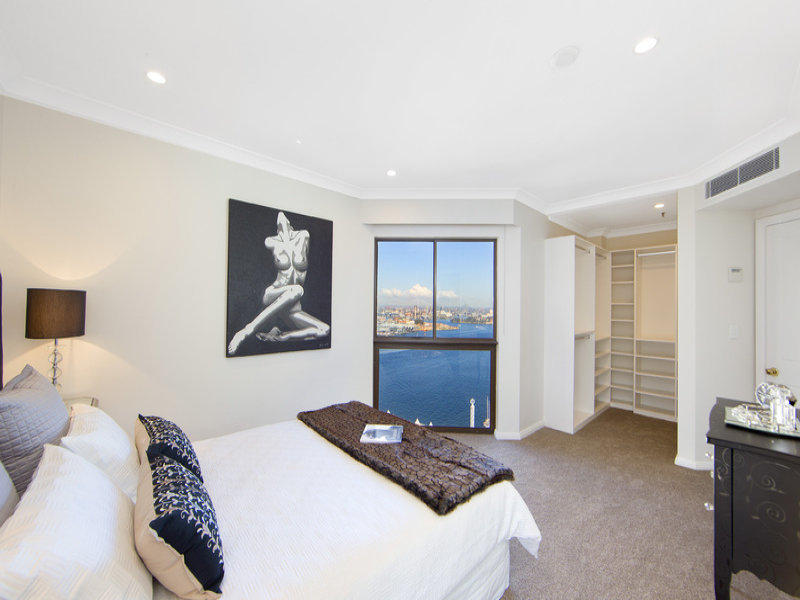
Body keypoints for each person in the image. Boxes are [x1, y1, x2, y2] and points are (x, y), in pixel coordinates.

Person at [228, 211, 330, 355]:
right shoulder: (271, 242)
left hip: (292, 307)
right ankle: (245, 331)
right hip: (274, 294)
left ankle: (281, 337)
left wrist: (285, 337)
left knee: (324, 330)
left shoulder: (303, 236)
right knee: (297, 290)